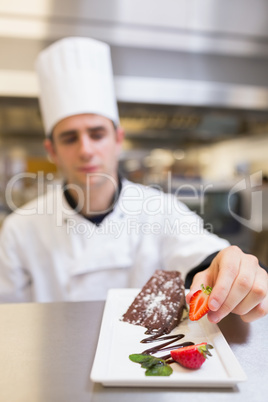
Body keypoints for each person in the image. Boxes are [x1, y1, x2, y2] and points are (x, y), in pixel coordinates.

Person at [0, 37, 267, 325]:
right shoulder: (20, 229)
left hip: (147, 362)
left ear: (118, 140)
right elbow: (10, 322)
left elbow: (204, 255)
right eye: (69, 138)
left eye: (97, 134)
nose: (86, 149)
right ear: (52, 151)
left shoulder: (162, 210)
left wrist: (233, 268)